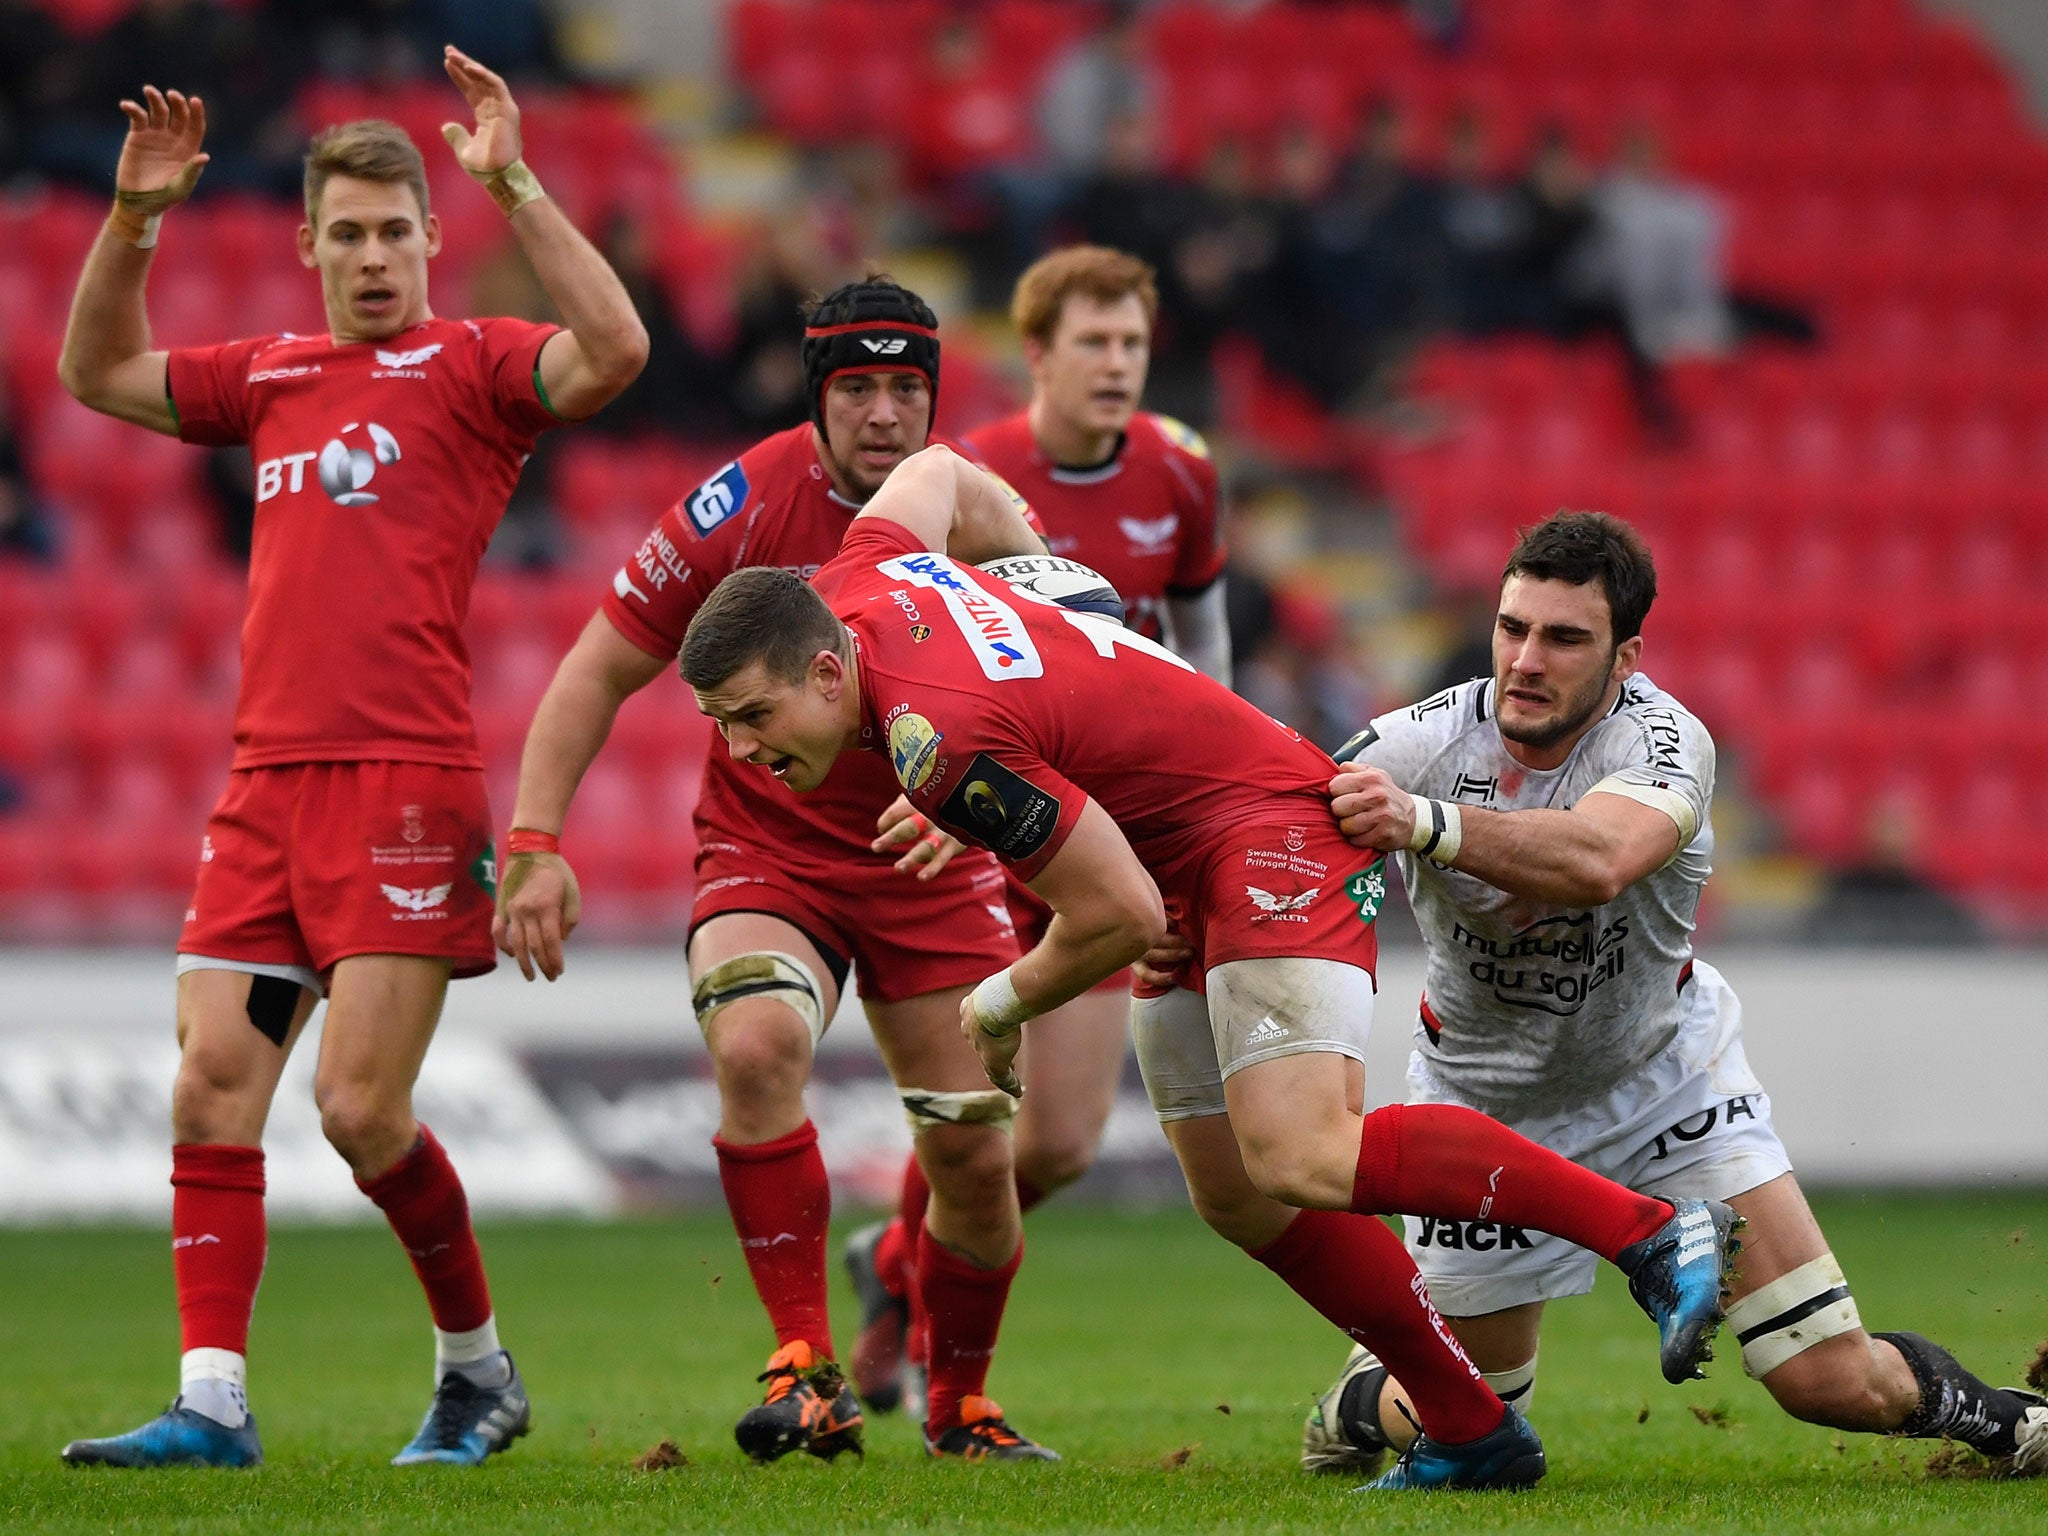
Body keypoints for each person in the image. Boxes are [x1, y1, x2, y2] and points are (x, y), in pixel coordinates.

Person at [676, 446, 1744, 1491]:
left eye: (756, 718)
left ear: (825, 669)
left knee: (1303, 1154)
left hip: (1261, 825)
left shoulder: (935, 741)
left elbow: (1113, 917)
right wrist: (1055, 599)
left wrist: (1000, 1007)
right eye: (721, 727)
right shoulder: (858, 574)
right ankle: (1468, 1425)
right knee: (1235, 1193)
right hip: (1178, 846)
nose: (744, 754)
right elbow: (943, 473)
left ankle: (1648, 1233)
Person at [54, 52, 649, 1468]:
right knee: (209, 1088)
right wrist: (134, 218)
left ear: (433, 241)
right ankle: (210, 1404)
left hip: (403, 782)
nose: (376, 256)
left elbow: (616, 351)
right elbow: (91, 372)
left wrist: (513, 177)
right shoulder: (271, 375)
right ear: (309, 244)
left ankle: (476, 1373)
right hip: (267, 790)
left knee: (359, 1111)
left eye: (399, 230)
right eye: (350, 233)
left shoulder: (475, 367)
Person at [1290, 511, 2047, 1480]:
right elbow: (1273, 823)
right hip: (1481, 1108)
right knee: (1462, 1412)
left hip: (1662, 1084)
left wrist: (1421, 824)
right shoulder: (1417, 740)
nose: (1525, 660)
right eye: (1512, 628)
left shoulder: (1662, 739)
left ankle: (2007, 1424)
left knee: (1824, 1378)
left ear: (1622, 656)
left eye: (1562, 638)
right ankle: (1359, 1401)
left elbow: (1601, 857)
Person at [492, 278, 1062, 1464]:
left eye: (907, 388)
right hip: (770, 850)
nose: (883, 414)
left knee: (969, 1149)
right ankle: (801, 1364)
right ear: (815, 398)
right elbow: (596, 670)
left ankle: (959, 1404)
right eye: (855, 388)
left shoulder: (983, 513)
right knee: (753, 1045)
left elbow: (1064, 696)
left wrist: (978, 819)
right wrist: (536, 841)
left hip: (929, 858)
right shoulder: (739, 503)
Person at [843, 245, 1230, 1420]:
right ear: (1038, 357)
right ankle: (931, 1353)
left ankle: (892, 1261)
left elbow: (1203, 652)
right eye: (1093, 344)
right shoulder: (966, 474)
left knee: (1057, 1146)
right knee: (975, 1117)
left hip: (1113, 827)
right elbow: (914, 642)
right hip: (991, 822)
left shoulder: (1180, 472)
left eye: (1132, 344)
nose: (1116, 365)